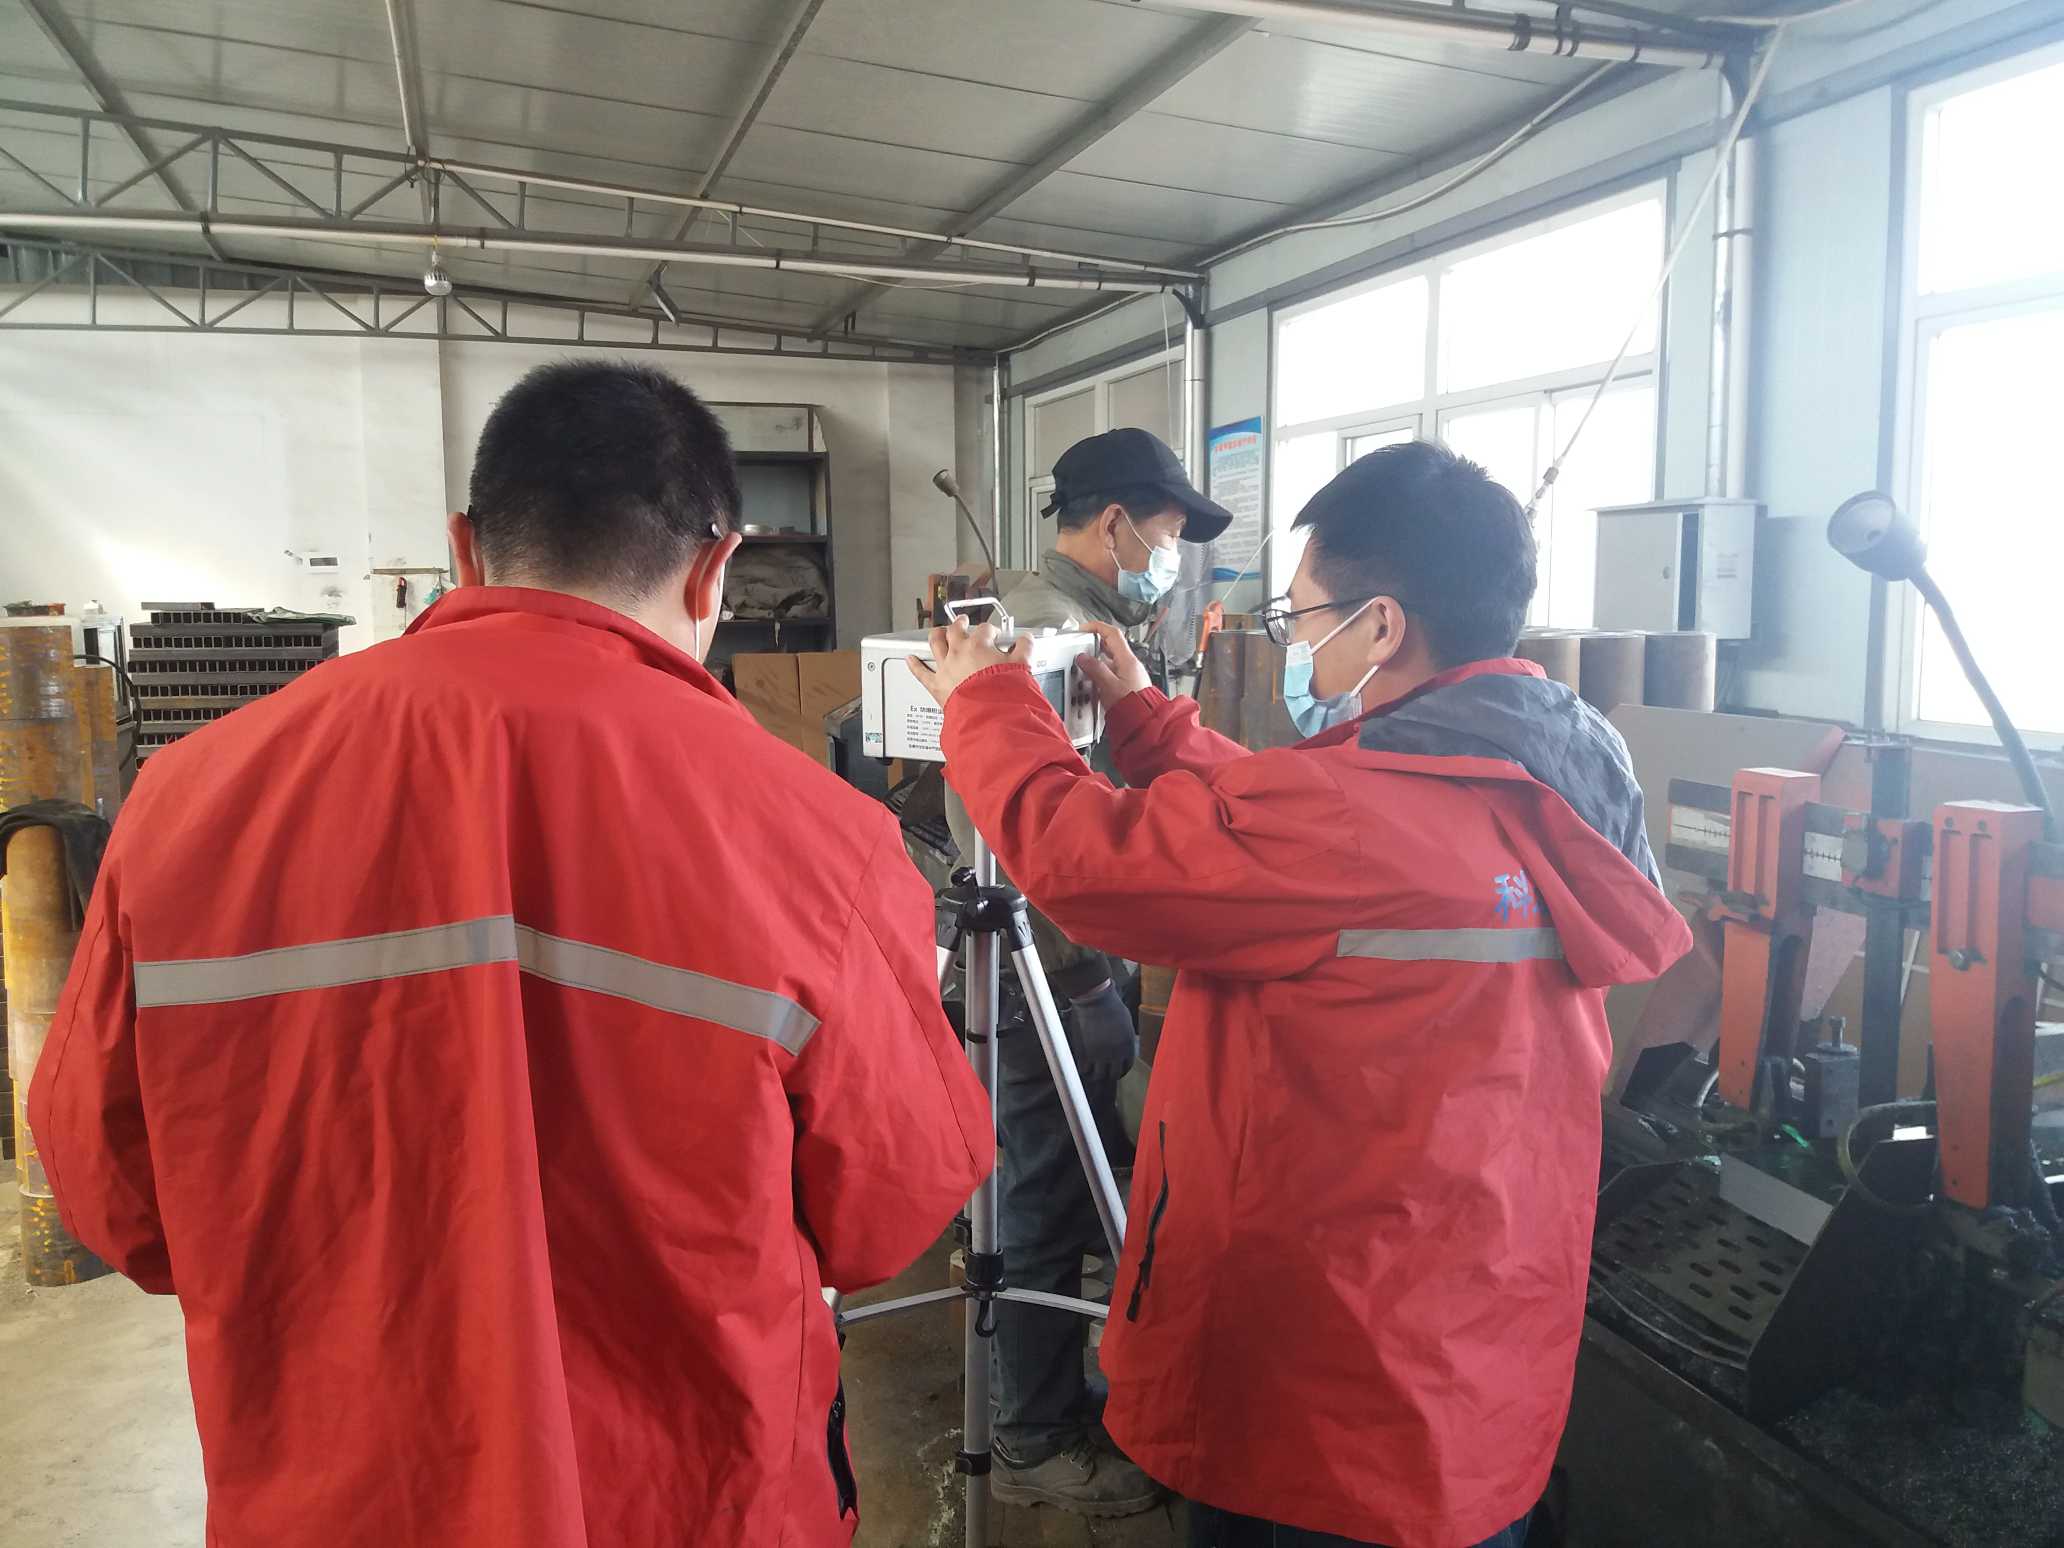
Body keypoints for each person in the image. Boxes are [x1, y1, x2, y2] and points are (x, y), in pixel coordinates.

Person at [30, 360, 995, 1548]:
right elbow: (887, 1213)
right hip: (694, 1506)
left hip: (331, 1506)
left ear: (464, 549)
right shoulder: (822, 840)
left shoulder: (184, 803)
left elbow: (119, 1204)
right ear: (716, 569)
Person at [914, 440, 1692, 1548]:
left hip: (1327, 1390)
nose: (1294, 641)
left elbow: (1090, 862)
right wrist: (1149, 725)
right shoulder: (1551, 770)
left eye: (1303, 615)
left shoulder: (1349, 816)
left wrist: (987, 703)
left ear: (1382, 626)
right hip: (1474, 1343)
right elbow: (1301, 827)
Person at [944, 427, 1230, 1516]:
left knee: (1070, 1176)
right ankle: (1029, 1435)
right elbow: (1015, 822)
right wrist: (1073, 976)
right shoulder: (1041, 634)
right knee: (1042, 1199)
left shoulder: (1079, 623)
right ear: (1114, 523)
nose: (1172, 558)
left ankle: (1053, 1392)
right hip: (1039, 963)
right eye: (1167, 533)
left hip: (1066, 958)